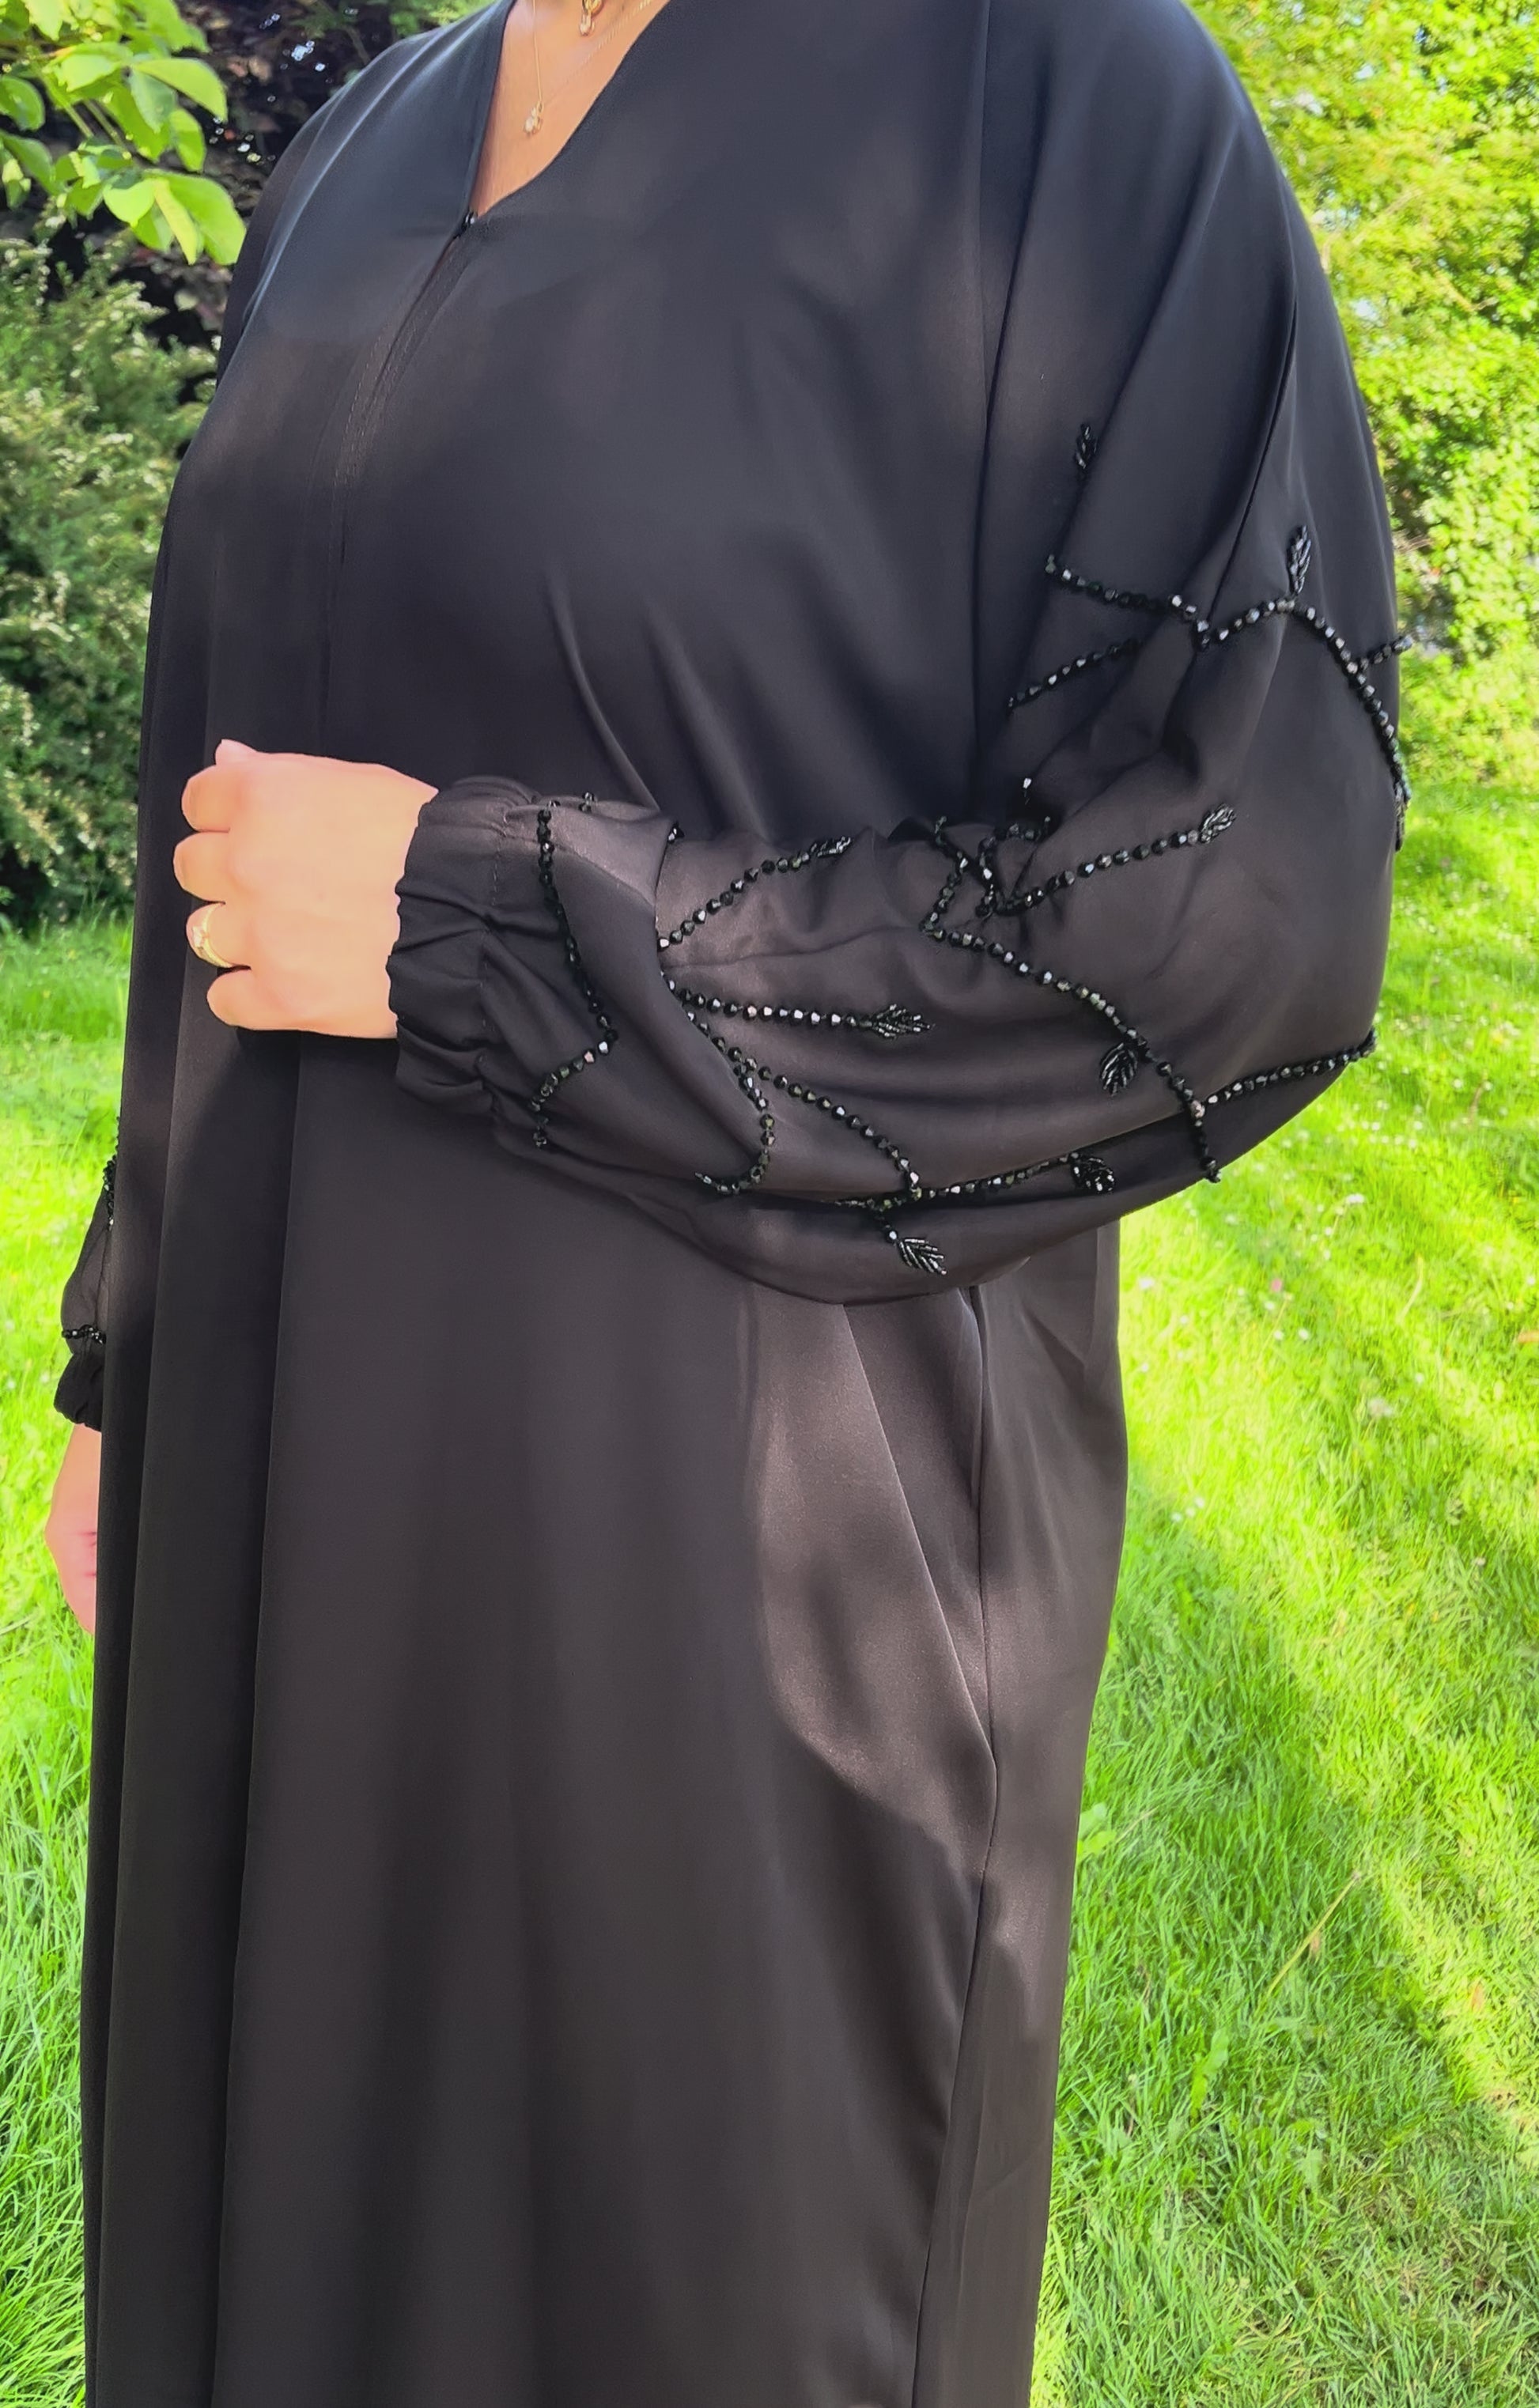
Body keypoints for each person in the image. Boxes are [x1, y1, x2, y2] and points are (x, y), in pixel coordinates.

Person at [43, 0, 1402, 2398]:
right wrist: (124, 1350)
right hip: (278, 1471)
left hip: (729, 1542)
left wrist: (484, 924)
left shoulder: (1058, 98)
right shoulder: (366, 137)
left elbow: (1234, 902)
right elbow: (224, 823)